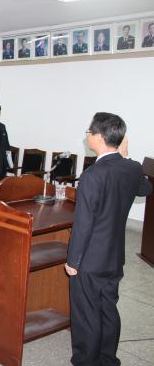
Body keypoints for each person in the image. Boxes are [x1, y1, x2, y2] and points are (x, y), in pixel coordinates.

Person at [65, 113, 151, 366]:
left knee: (86, 314)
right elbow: (146, 188)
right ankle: (107, 359)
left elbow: (84, 224)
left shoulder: (92, 175)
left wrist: (73, 261)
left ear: (100, 137)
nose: (87, 135)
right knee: (107, 309)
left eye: (89, 132)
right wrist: (127, 156)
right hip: (114, 256)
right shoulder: (131, 168)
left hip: (90, 260)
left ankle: (86, 361)